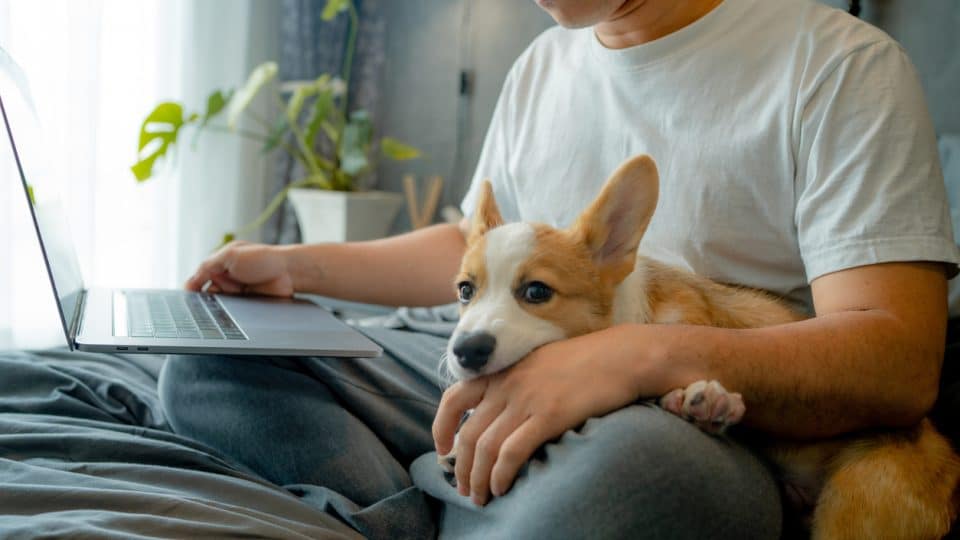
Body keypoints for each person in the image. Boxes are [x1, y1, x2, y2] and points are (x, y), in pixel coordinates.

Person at [159, 0, 958, 537]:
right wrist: (295, 267)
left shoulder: (839, 65)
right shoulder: (544, 62)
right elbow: (472, 249)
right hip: (500, 368)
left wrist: (636, 357)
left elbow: (896, 361)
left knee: (640, 480)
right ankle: (449, 509)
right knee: (212, 367)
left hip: (704, 425)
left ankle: (451, 498)